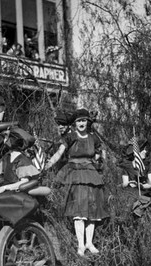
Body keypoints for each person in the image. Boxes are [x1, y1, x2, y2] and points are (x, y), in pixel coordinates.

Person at [46, 108, 108, 256]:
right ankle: (81, 245)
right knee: (79, 211)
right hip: (74, 174)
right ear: (75, 123)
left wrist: (99, 159)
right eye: (79, 121)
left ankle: (89, 243)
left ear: (88, 122)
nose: (81, 123)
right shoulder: (70, 137)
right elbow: (59, 153)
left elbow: (100, 152)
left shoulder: (94, 138)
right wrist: (48, 164)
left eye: (84, 120)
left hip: (90, 174)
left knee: (92, 211)